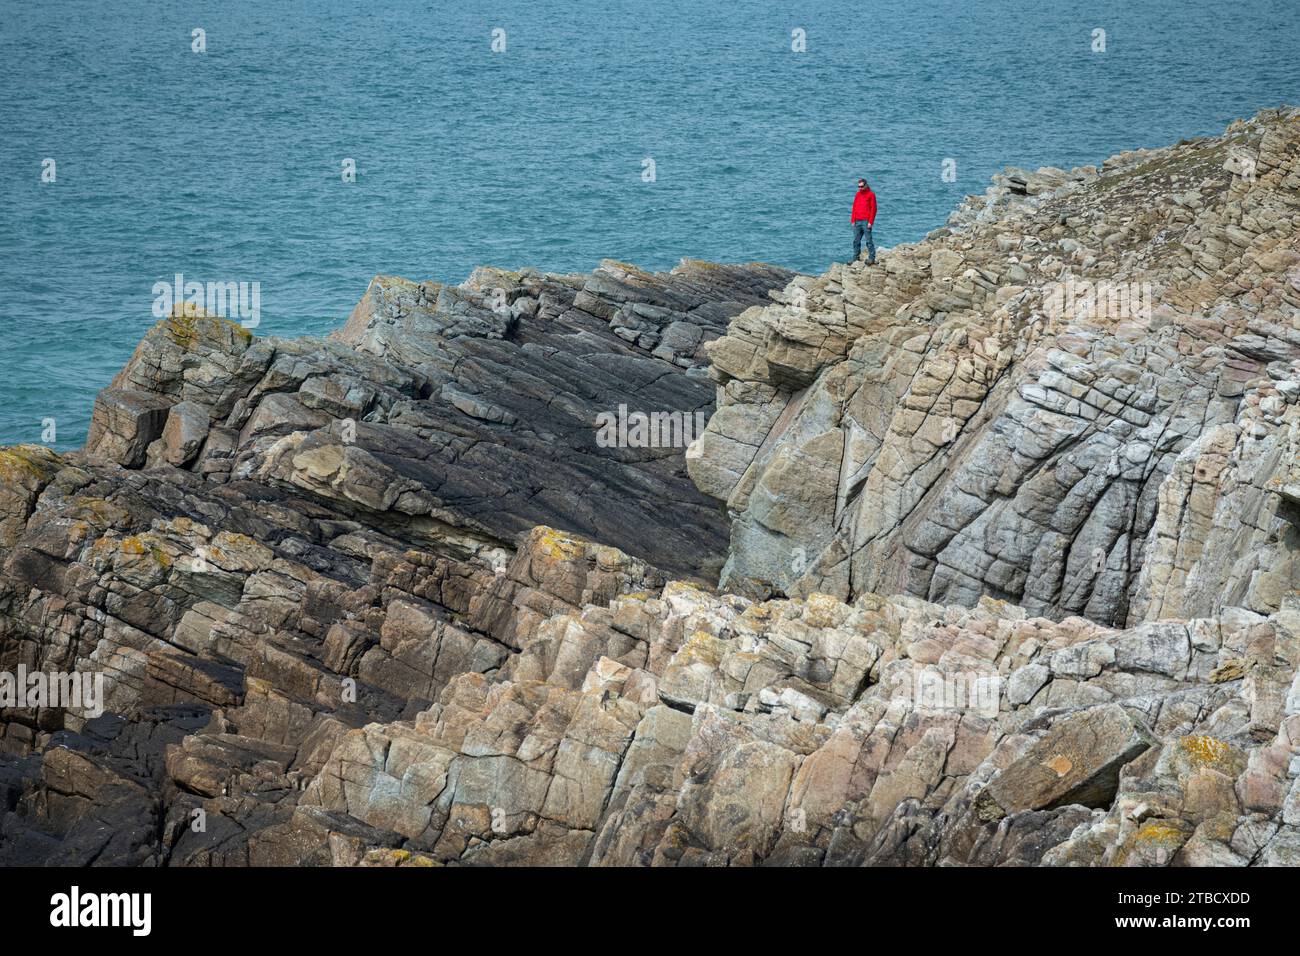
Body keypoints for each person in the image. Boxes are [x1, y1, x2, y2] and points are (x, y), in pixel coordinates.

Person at [851, 178, 877, 264]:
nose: (860, 188)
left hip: (866, 221)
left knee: (869, 241)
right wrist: (853, 220)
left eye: (861, 186)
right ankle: (855, 257)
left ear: (865, 185)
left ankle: (871, 258)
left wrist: (870, 222)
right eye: (858, 186)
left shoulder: (871, 195)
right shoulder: (858, 194)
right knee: (856, 240)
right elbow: (854, 207)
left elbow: (874, 209)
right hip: (857, 221)